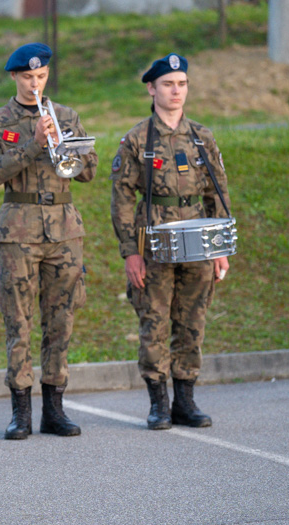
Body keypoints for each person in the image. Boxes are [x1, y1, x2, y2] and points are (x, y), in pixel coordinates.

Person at [0, 43, 98, 440]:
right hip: (19, 231)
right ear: (15, 77)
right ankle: (21, 413)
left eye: (41, 76)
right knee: (19, 322)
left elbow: (87, 172)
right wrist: (33, 144)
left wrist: (66, 146)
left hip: (64, 231)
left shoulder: (66, 116)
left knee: (61, 320)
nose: (35, 84)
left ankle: (54, 410)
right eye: (28, 77)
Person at [110, 53, 232, 430]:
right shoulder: (136, 140)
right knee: (155, 322)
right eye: (168, 84)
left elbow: (218, 194)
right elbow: (122, 200)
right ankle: (158, 403)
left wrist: (221, 248)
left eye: (181, 84)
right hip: (153, 244)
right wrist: (131, 252)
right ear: (152, 88)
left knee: (192, 322)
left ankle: (186, 401)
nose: (175, 91)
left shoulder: (202, 137)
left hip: (198, 241)